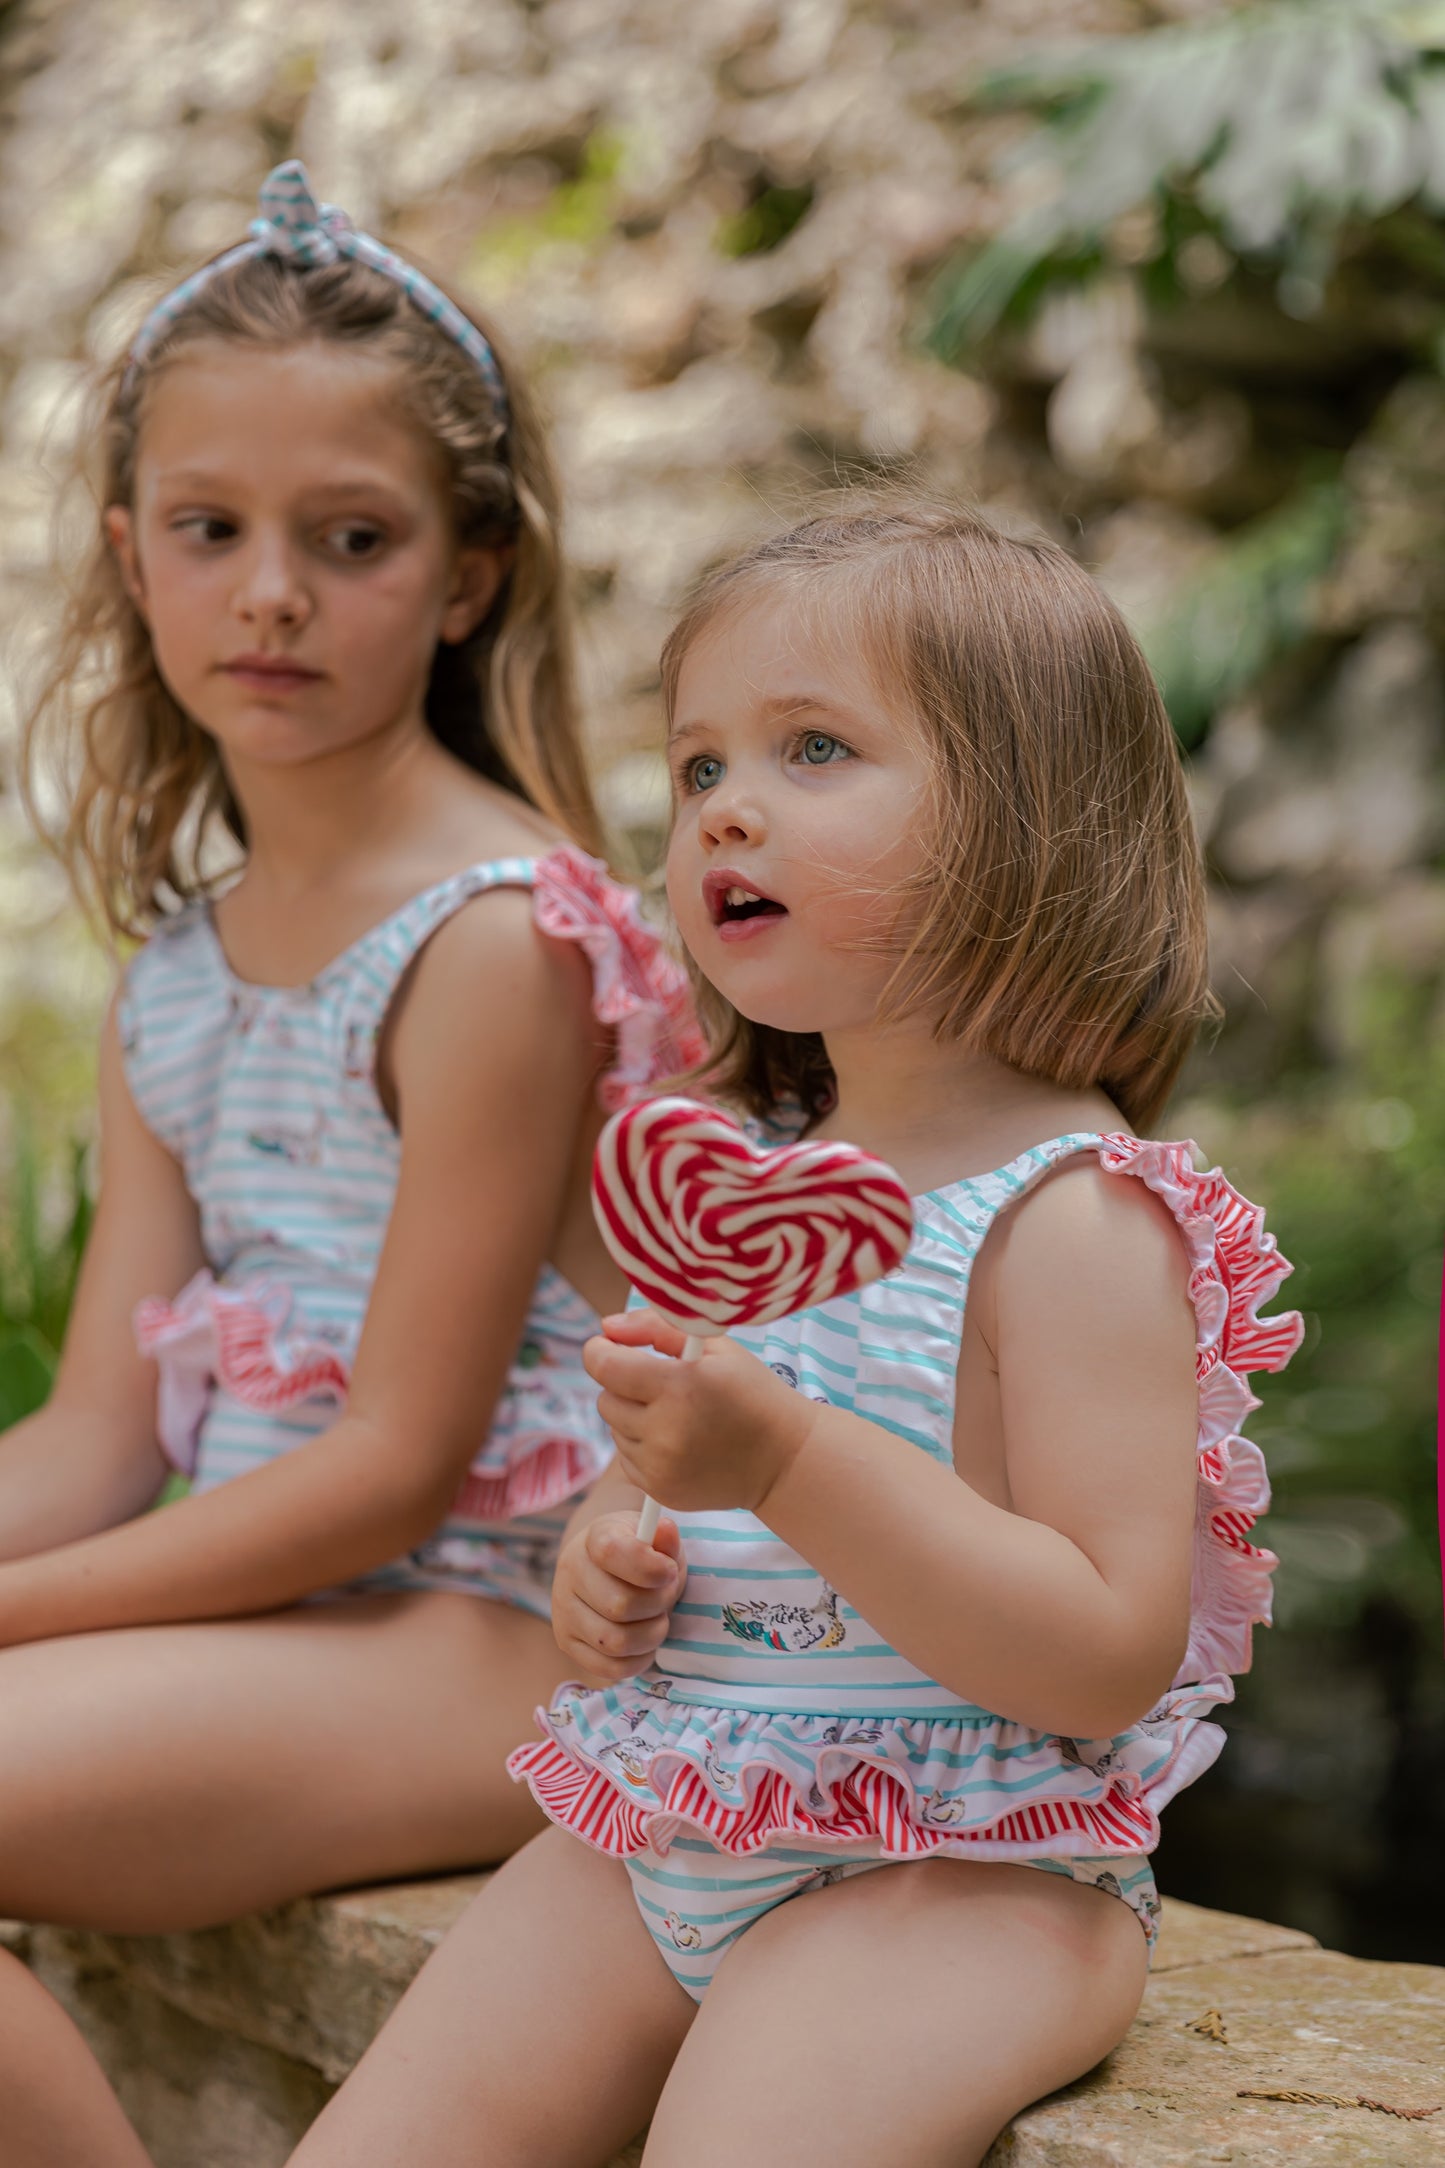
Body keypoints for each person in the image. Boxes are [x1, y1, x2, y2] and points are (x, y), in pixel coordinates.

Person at [285, 502, 1303, 2168]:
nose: (723, 811)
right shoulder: (740, 1189)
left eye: (811, 748)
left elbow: (1106, 1644)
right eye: (696, 769)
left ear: (1027, 820)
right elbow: (686, 1501)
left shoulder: (1068, 1220)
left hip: (964, 1870)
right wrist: (613, 1556)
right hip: (668, 1820)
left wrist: (786, 1457)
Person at [0, 163, 698, 2165]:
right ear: (131, 557)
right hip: (293, 1629)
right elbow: (90, 1436)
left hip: (489, 1629)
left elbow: (397, 1462)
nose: (273, 591)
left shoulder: (497, 938)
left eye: (353, 537)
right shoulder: (184, 970)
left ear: (468, 573)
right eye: (211, 531)